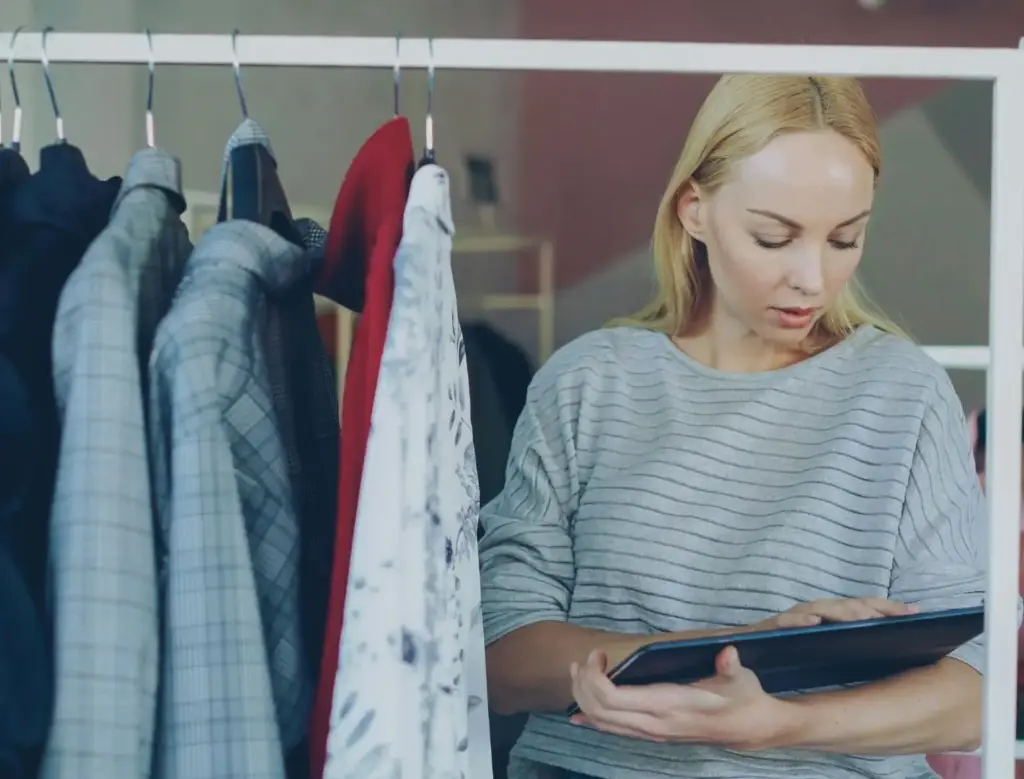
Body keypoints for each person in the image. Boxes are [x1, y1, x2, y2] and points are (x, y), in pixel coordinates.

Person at [479, 74, 986, 779]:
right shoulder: (587, 383)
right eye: (773, 237)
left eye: (846, 238)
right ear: (695, 209)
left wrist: (780, 722)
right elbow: (503, 658)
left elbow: (969, 696)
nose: (811, 277)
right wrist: (740, 643)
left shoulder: (903, 393)